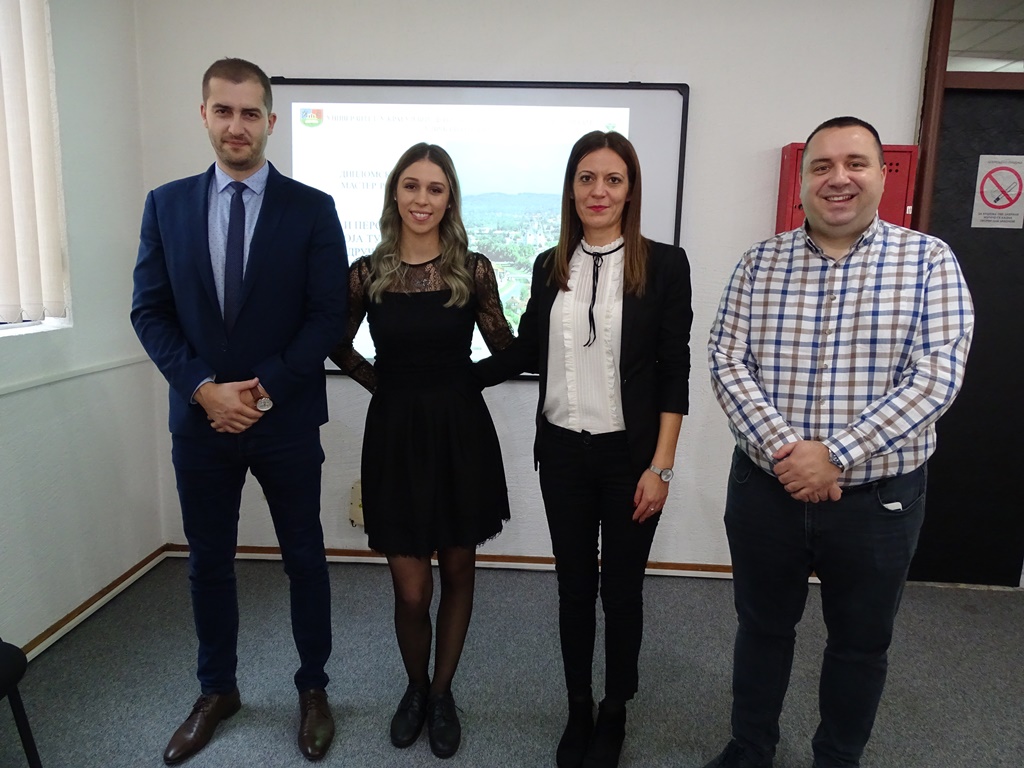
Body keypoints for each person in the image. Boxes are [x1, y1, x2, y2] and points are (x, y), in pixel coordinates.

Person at [704, 116, 974, 768]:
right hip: (766, 489)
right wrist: (791, 454)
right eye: (821, 166)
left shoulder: (929, 261)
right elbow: (726, 361)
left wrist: (835, 455)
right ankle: (750, 749)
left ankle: (838, 759)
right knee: (762, 628)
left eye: (855, 163)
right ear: (803, 181)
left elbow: (937, 377)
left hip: (879, 501)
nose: (838, 178)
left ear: (882, 175)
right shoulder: (759, 263)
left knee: (860, 644)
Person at [130, 58, 348, 764]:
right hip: (201, 425)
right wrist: (203, 389)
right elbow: (149, 311)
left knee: (305, 559)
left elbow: (327, 316)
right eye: (223, 111)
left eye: (250, 113)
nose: (236, 125)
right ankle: (216, 690)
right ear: (204, 115)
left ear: (270, 122)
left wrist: (259, 391)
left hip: (284, 421)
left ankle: (313, 688)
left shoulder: (312, 209)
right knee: (208, 564)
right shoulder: (165, 206)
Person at [476, 131, 692, 768]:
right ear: (571, 189)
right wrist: (452, 376)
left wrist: (661, 467)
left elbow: (674, 372)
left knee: (621, 592)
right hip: (563, 456)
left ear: (630, 190)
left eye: (613, 179)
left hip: (632, 461)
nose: (599, 191)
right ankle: (577, 706)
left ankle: (614, 709)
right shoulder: (549, 265)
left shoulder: (665, 265)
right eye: (587, 178)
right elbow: (524, 350)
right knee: (573, 588)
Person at [329, 143, 513, 759]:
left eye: (435, 188)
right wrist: (383, 385)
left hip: (460, 436)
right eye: (411, 186)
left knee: (458, 571)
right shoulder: (367, 273)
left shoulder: (472, 270)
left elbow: (506, 348)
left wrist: (464, 384)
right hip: (394, 438)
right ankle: (414, 687)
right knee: (410, 591)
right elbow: (336, 342)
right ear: (395, 193)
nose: (422, 199)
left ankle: (440, 693)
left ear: (449, 199)